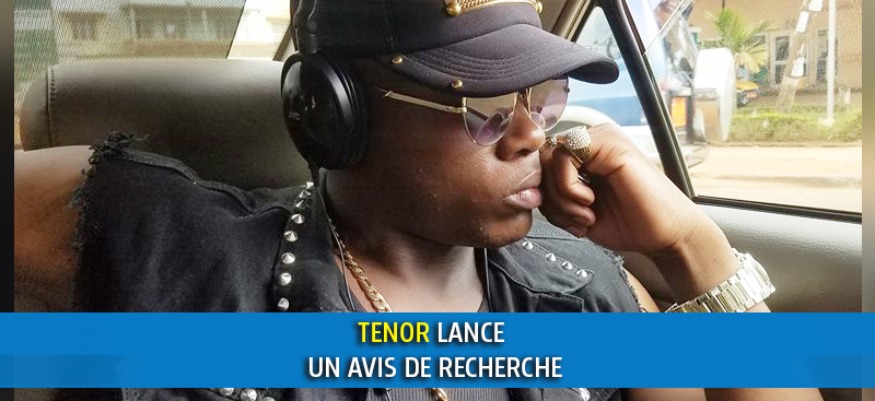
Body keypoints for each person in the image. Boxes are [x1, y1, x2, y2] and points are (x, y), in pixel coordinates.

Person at [13, 0, 822, 400]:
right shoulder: (186, 247)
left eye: (544, 98)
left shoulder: (582, 290)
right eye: (484, 107)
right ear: (332, 112)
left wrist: (688, 243)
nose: (531, 135)